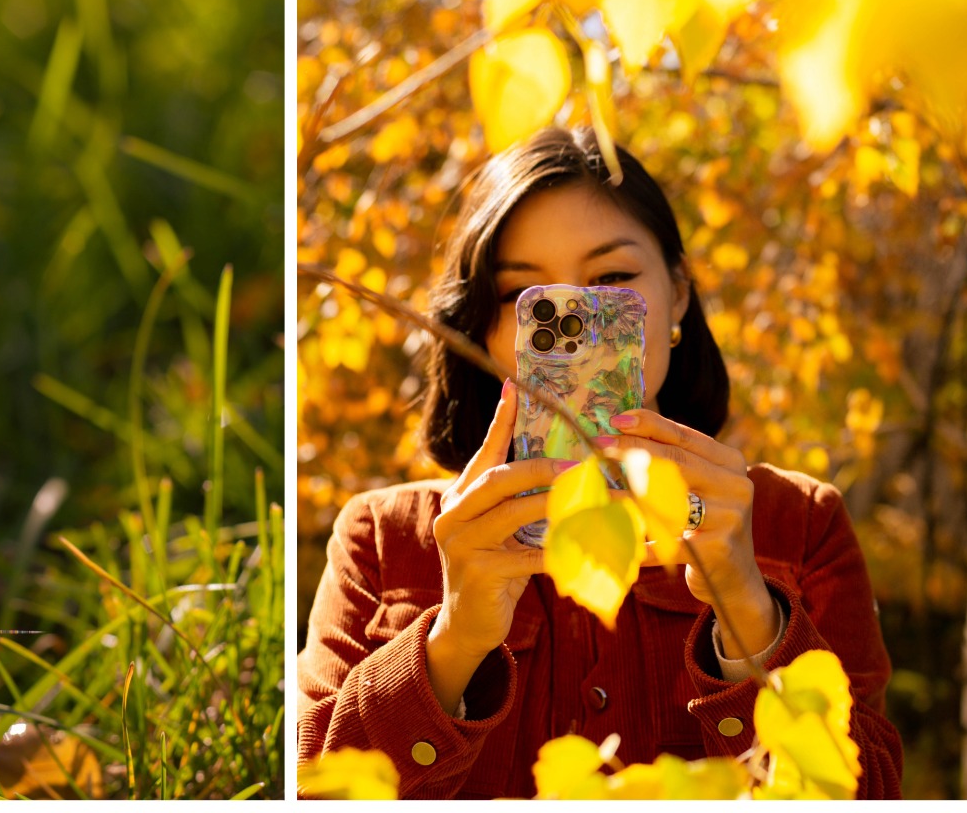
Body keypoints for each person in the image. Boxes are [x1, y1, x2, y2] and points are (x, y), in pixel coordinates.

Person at [297, 127, 903, 798]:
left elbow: (869, 792)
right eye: (527, 298)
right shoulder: (384, 541)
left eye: (612, 280)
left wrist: (749, 617)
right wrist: (454, 641)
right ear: (486, 330)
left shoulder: (797, 525)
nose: (577, 322)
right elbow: (311, 791)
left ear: (676, 294)